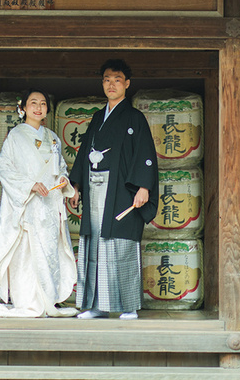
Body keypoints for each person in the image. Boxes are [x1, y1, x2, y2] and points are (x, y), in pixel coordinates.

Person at [0, 89, 78, 318]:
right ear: (24, 108)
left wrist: (64, 180)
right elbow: (5, 169)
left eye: (43, 103)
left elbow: (60, 168)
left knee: (49, 251)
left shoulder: (53, 137)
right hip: (28, 206)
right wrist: (30, 185)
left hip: (48, 206)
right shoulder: (15, 137)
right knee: (26, 254)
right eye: (33, 103)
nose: (38, 107)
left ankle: (48, 301)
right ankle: (28, 301)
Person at [67, 59, 158, 320]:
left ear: (127, 84)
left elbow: (145, 154)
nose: (111, 84)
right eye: (107, 79)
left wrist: (144, 187)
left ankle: (127, 306)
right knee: (94, 244)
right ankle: (96, 306)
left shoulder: (134, 118)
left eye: (117, 79)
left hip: (121, 192)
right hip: (95, 191)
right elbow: (84, 153)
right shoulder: (98, 117)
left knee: (121, 245)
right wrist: (76, 186)